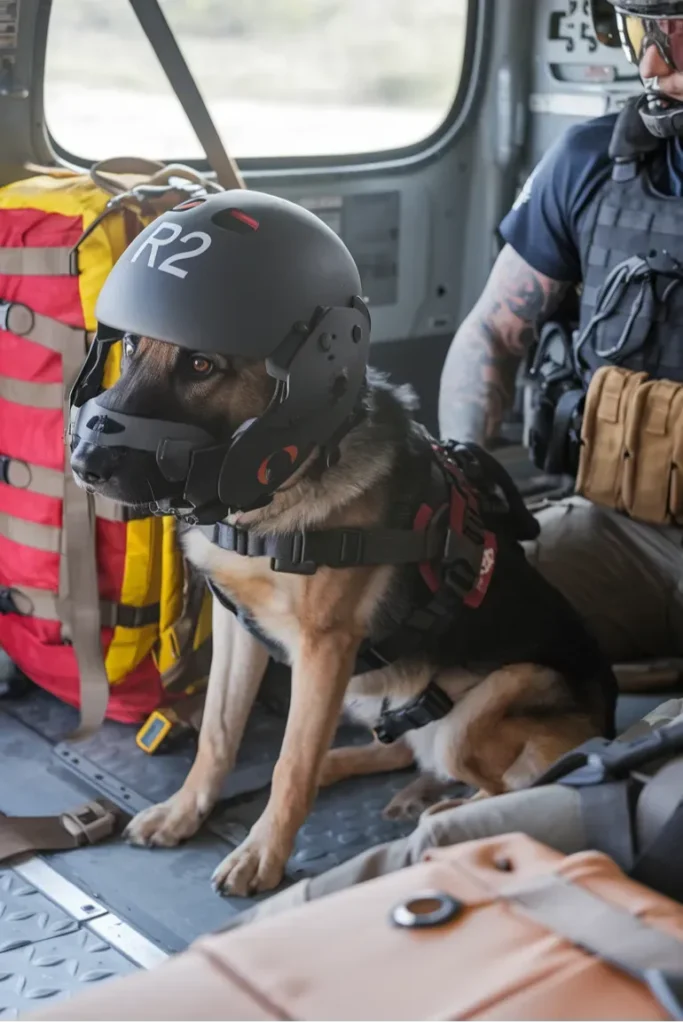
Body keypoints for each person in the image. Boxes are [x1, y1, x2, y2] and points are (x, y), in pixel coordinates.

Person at [439, 0, 683, 667]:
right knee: (440, 622)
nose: (653, 63)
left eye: (680, 39)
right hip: (620, 531)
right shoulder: (589, 163)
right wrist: (456, 481)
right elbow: (491, 331)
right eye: (646, 33)